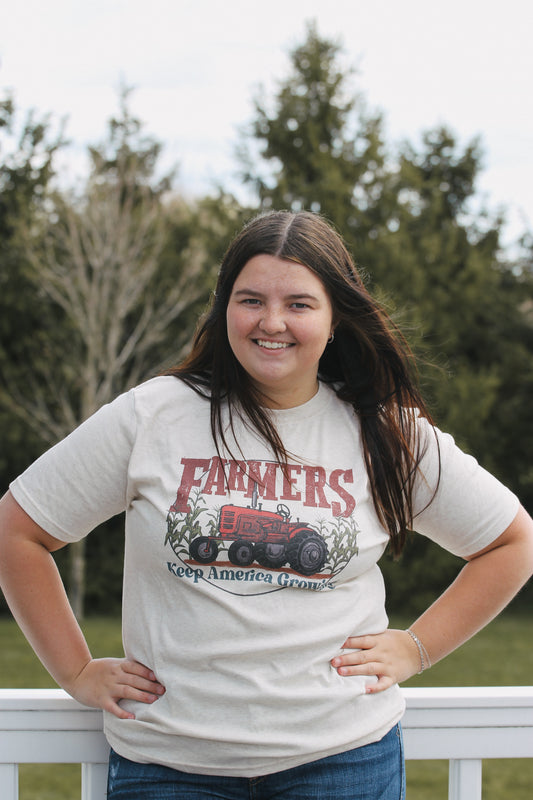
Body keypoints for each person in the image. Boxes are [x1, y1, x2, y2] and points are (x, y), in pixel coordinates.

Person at [0, 210, 532, 800]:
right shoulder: (152, 416)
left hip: (340, 762)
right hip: (171, 764)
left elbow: (512, 543)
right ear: (224, 308)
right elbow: (17, 532)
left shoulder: (383, 432)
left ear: (335, 319)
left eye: (299, 304)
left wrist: (417, 645)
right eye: (250, 299)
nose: (272, 322)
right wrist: (75, 671)